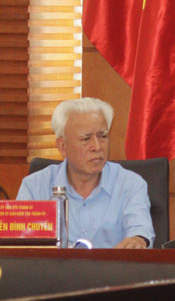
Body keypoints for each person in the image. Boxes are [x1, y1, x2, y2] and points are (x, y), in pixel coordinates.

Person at [18, 98, 154, 248]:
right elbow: (22, 245)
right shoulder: (35, 187)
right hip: (54, 264)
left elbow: (140, 231)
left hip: (112, 264)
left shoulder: (130, 184)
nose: (97, 147)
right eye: (86, 139)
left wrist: (138, 241)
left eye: (103, 136)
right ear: (62, 146)